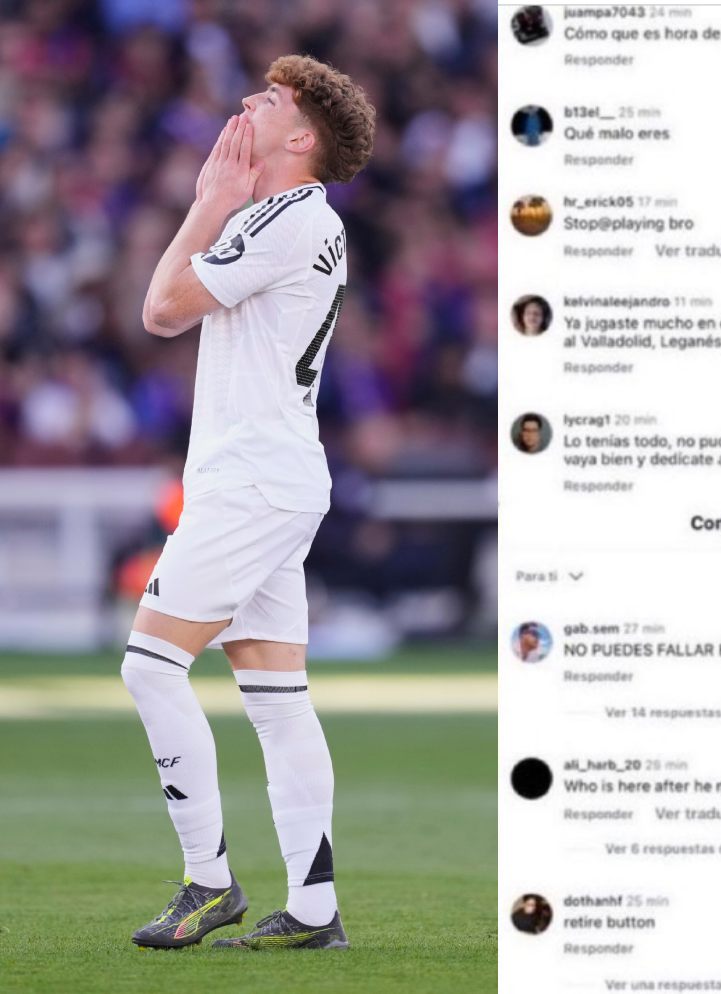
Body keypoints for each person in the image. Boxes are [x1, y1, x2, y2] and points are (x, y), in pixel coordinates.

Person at [121, 54, 375, 952]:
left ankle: (208, 881)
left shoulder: (284, 217)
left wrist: (206, 202)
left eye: (267, 100)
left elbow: (161, 309)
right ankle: (313, 910)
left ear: (300, 139)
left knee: (151, 667)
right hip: (276, 476)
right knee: (276, 699)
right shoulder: (305, 219)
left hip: (252, 482)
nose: (245, 103)